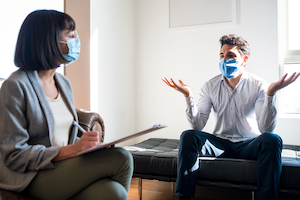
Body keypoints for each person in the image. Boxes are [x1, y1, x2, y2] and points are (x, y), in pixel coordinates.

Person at [0, 10, 133, 200]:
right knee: (122, 158)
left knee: (115, 193)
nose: (76, 39)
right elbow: (14, 154)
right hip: (31, 176)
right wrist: (72, 150)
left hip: (63, 167)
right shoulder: (15, 86)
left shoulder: (63, 83)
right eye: (70, 35)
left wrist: (89, 145)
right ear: (47, 39)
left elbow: (64, 131)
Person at [162, 34, 300, 200]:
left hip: (249, 144)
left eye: (231, 55)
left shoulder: (259, 85)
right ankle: (184, 197)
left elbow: (265, 129)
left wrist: (271, 94)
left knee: (272, 139)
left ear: (244, 59)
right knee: (188, 136)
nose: (225, 59)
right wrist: (188, 96)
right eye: (222, 55)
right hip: (220, 144)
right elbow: (197, 126)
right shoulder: (210, 86)